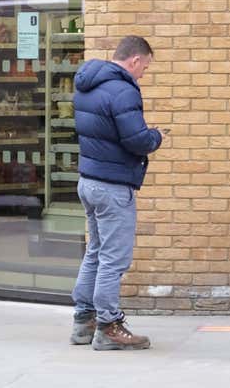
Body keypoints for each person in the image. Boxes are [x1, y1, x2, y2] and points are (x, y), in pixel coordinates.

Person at [70, 35, 166, 350]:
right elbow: (135, 139)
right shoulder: (123, 89)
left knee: (96, 252)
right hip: (113, 186)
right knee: (113, 259)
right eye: (145, 67)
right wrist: (156, 137)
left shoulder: (87, 84)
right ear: (135, 60)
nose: (143, 74)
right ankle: (109, 326)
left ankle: (84, 321)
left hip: (89, 181)